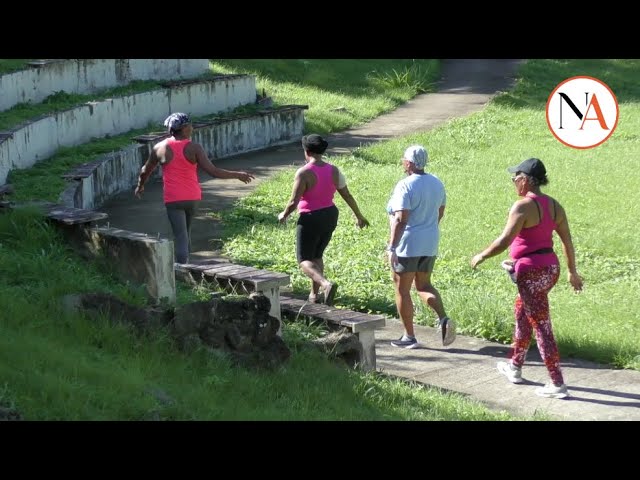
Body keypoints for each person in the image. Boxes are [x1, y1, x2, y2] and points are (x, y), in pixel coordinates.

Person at [470, 157, 583, 399]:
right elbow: (567, 240)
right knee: (523, 314)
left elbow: (504, 240)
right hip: (550, 270)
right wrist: (572, 271)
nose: (513, 183)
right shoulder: (554, 206)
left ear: (525, 180)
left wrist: (482, 255)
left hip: (531, 273)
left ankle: (557, 383)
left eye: (515, 178)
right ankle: (515, 367)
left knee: (542, 326)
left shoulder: (522, 206)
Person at [134, 112, 255, 264]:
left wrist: (140, 186)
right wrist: (237, 175)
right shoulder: (194, 148)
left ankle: (182, 269)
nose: (192, 128)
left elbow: (145, 170)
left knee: (180, 236)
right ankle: (186, 266)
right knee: (186, 234)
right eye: (190, 125)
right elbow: (213, 171)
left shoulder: (159, 147)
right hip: (192, 197)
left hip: (173, 199)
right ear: (184, 128)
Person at [277, 134, 369, 305]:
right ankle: (314, 295)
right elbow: (346, 194)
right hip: (330, 215)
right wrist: (359, 215)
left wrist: (284, 214)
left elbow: (293, 201)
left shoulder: (304, 173)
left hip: (311, 217)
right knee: (317, 255)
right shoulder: (333, 170)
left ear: (307, 151)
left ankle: (325, 284)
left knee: (304, 260)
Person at [386, 145, 456, 349]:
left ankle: (409, 336)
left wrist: (392, 247)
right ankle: (443, 318)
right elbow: (440, 212)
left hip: (408, 244)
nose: (402, 163)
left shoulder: (405, 185)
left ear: (409, 163)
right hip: (430, 242)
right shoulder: (437, 183)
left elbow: (400, 218)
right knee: (424, 286)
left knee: (402, 289)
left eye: (403, 160)